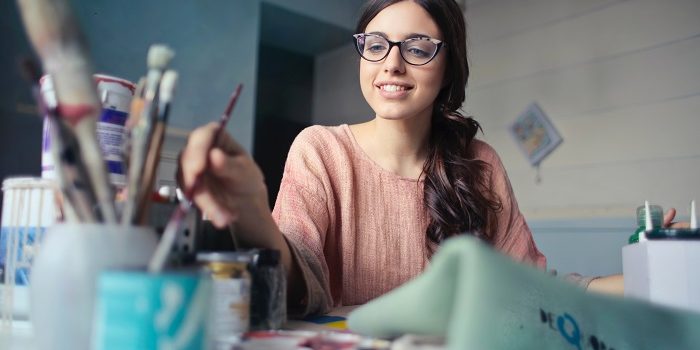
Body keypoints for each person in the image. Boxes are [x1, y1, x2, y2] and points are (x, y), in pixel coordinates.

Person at [180, 0, 683, 316]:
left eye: (418, 47)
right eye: (375, 45)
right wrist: (251, 212)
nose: (392, 63)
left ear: (449, 68)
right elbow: (299, 282)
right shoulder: (321, 150)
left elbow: (531, 290)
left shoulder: (478, 164)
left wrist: (658, 271)